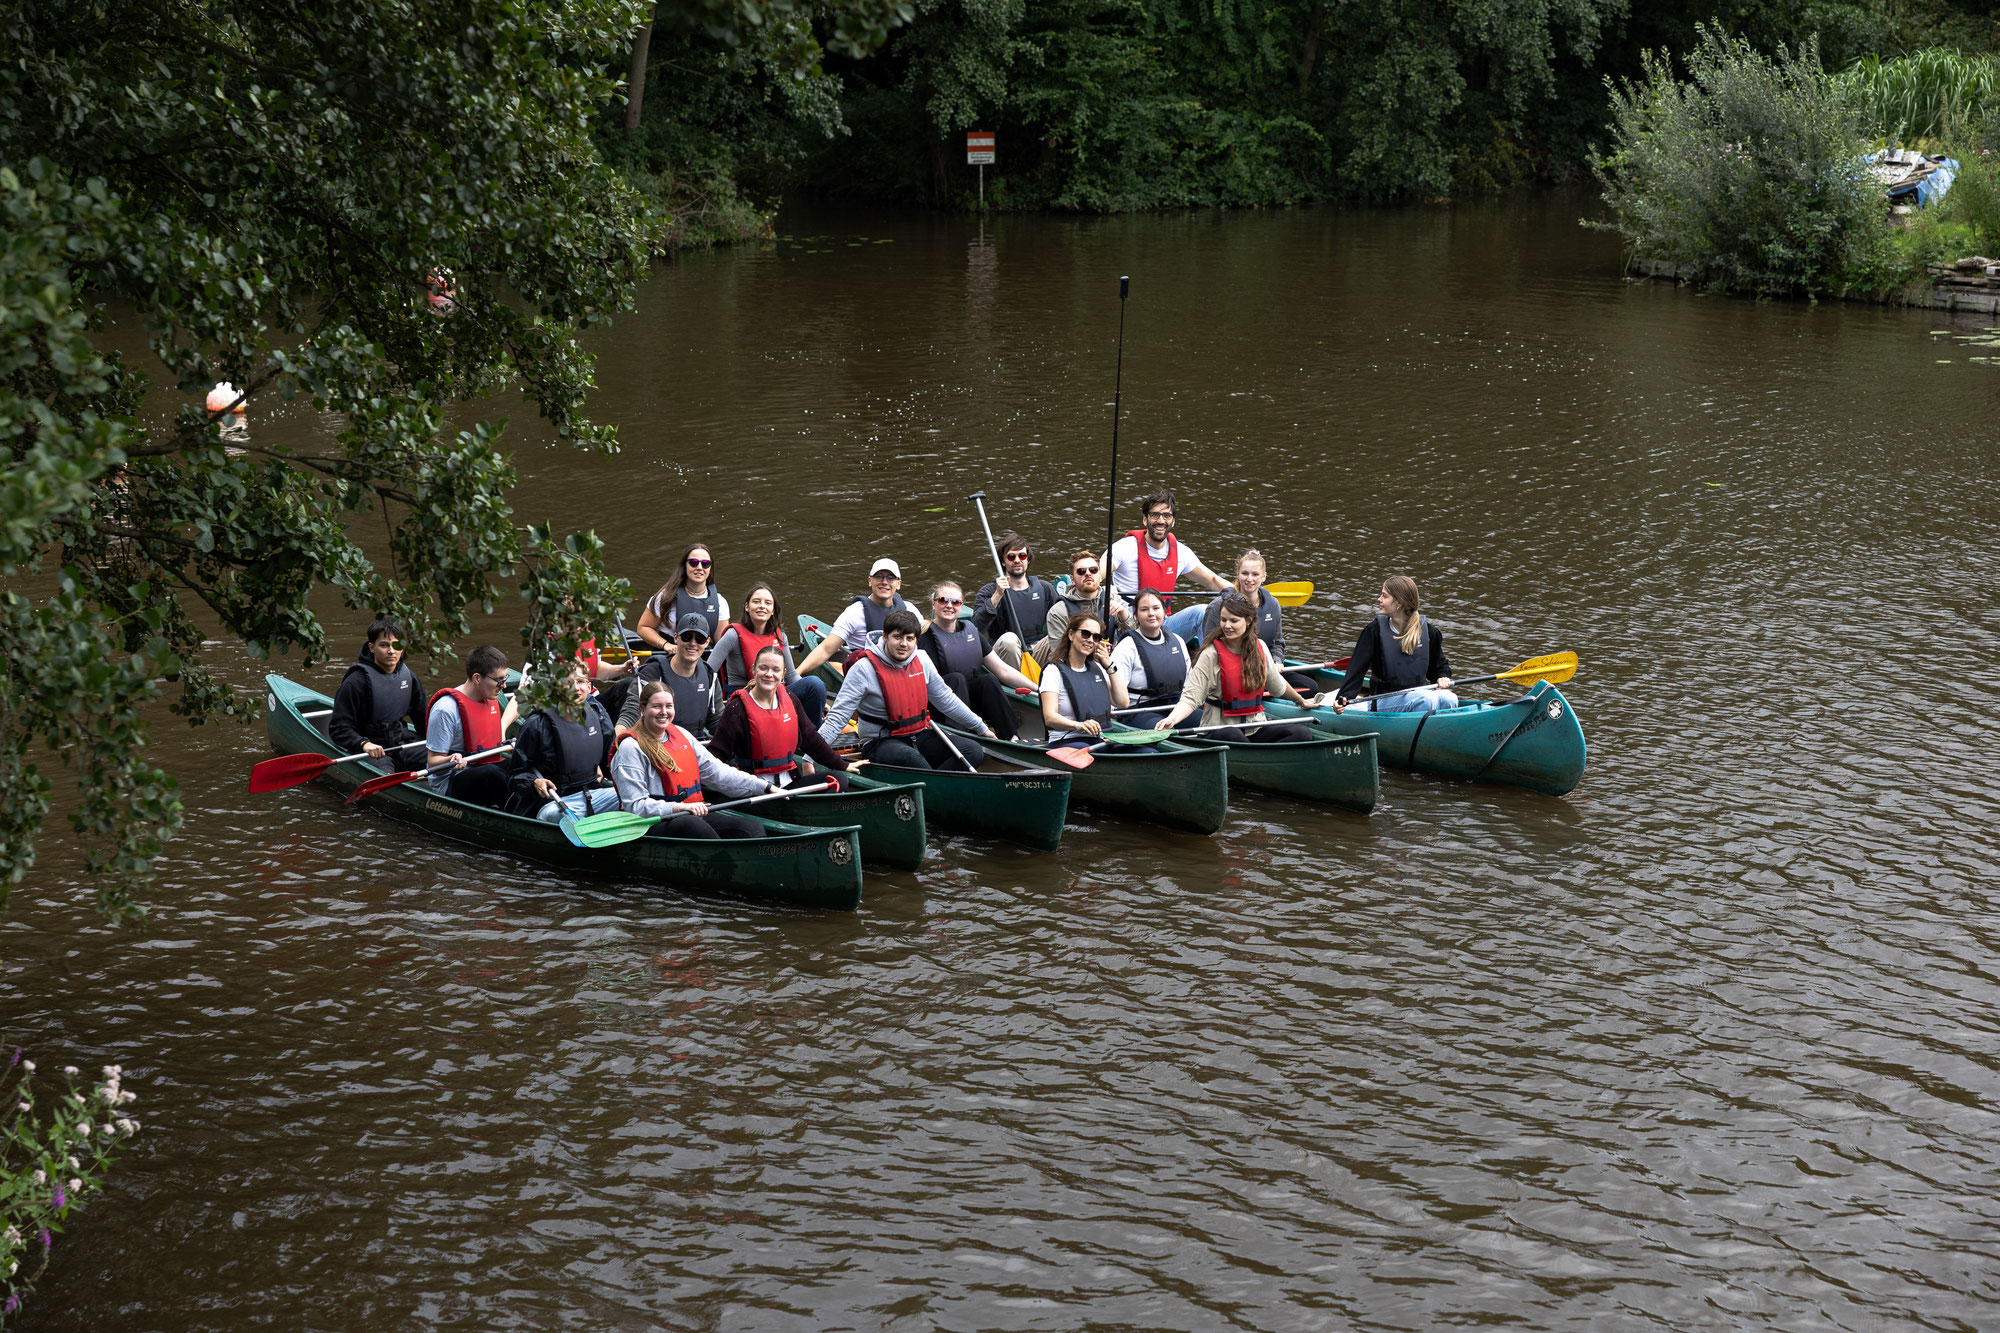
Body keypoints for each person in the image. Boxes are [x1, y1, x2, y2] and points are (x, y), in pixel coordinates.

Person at [818, 608, 994, 770]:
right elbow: (838, 717)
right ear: (885, 636)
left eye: (910, 639)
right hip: (880, 742)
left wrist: (980, 727)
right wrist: (812, 756)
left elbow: (945, 699)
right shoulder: (863, 668)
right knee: (914, 760)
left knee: (973, 751)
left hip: (918, 734)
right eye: (897, 637)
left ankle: (933, 789)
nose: (904, 644)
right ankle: (934, 789)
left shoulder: (922, 659)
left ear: (916, 640)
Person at [610, 680, 769, 839]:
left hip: (690, 814)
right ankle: (724, 860)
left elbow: (718, 773)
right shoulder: (630, 748)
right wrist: (678, 808)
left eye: (669, 706)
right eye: (656, 706)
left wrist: (765, 787)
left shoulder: (681, 734)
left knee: (752, 828)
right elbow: (635, 806)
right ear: (643, 709)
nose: (663, 712)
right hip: (652, 823)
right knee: (692, 825)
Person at [1157, 594, 1319, 741]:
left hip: (1254, 727)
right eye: (1223, 620)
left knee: (1302, 733)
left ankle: (1264, 761)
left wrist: (1301, 701)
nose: (1227, 626)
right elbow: (1191, 698)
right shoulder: (1210, 653)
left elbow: (1279, 687)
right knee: (1232, 733)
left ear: (1248, 621)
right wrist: (1172, 719)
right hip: (1219, 730)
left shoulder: (1260, 647)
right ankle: (1257, 760)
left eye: (1233, 620)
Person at [709, 644, 858, 791]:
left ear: (783, 673)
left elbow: (810, 738)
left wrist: (842, 764)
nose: (769, 674)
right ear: (754, 669)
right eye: (763, 668)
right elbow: (718, 752)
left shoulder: (789, 698)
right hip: (756, 788)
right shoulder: (737, 708)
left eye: (776, 670)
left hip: (789, 783)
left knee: (839, 780)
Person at [1105, 490, 1229, 641]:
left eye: (1167, 516)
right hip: (1128, 626)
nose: (1161, 521)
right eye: (1155, 515)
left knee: (1202, 613)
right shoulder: (1124, 548)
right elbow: (1097, 574)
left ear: (1173, 521)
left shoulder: (1182, 552)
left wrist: (1246, 595)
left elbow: (1213, 580)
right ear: (1145, 519)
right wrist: (1107, 588)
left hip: (1163, 624)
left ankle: (1205, 662)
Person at [918, 581, 1035, 740]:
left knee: (988, 680)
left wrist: (1039, 689)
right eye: (943, 600)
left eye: (955, 602)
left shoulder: (970, 632)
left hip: (971, 703)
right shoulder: (923, 638)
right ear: (933, 604)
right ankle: (959, 737)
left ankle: (1011, 737)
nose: (949, 605)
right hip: (941, 707)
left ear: (961, 605)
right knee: (956, 679)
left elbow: (1003, 670)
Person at [506, 660, 620, 823]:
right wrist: (534, 782)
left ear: (589, 687)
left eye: (580, 681)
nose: (575, 688)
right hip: (555, 802)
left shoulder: (598, 715)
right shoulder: (537, 724)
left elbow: (611, 761)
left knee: (631, 796)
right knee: (553, 815)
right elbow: (514, 777)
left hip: (592, 794)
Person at [1329, 576, 1458, 714]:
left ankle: (1441, 732)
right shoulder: (1374, 631)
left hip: (1419, 693)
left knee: (1450, 698)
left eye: (1384, 596)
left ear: (1399, 603)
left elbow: (1439, 666)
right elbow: (1356, 669)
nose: (1379, 599)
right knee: (1425, 699)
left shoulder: (1429, 632)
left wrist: (1442, 676)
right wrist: (1344, 697)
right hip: (1383, 698)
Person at [706, 581, 828, 728]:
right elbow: (707, 672)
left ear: (772, 610)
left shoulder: (780, 635)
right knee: (813, 684)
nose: (762, 606)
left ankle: (812, 735)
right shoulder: (733, 636)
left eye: (767, 603)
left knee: (815, 685)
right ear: (747, 607)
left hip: (777, 694)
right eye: (756, 602)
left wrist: (819, 697)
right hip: (746, 698)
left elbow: (791, 676)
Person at [1198, 549, 1318, 694]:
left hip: (1264, 668)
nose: (1250, 579)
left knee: (1311, 687)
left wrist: (1276, 660)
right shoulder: (1218, 606)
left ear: (1264, 577)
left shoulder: (1273, 604)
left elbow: (1277, 642)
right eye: (1245, 574)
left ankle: (1271, 693)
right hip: (1231, 673)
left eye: (1255, 574)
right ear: (1237, 575)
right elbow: (1208, 647)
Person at [1039, 608, 1155, 753]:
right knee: (1089, 752)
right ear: (1071, 634)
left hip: (1099, 739)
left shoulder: (1098, 668)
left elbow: (1123, 703)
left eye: (1096, 637)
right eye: (1085, 634)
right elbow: (1050, 717)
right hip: (1066, 740)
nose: (1090, 640)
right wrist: (1078, 725)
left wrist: (1109, 665)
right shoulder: (1053, 671)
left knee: (1147, 752)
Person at [424, 645, 516, 809]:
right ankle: (520, 815)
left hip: (483, 766)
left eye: (505, 678)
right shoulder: (445, 709)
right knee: (491, 775)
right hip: (451, 779)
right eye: (499, 680)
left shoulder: (489, 698)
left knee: (520, 764)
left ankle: (538, 806)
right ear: (477, 678)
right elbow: (433, 764)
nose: (504, 686)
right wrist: (451, 760)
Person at [329, 617, 426, 768]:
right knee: (386, 774)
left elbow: (423, 721)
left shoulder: (410, 678)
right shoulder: (355, 682)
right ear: (372, 647)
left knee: (445, 757)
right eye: (384, 645)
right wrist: (363, 744)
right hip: (371, 749)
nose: (391, 651)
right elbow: (338, 729)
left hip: (402, 744)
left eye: (396, 645)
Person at [795, 557, 909, 678]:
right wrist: (797, 673)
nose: (884, 582)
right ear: (870, 581)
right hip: (867, 674)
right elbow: (825, 649)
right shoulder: (855, 613)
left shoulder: (910, 609)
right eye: (879, 576)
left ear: (898, 584)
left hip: (900, 670)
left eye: (890, 578)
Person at [619, 611, 724, 736]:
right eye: (686, 637)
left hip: (697, 744)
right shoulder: (652, 673)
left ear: (707, 642)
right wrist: (620, 736)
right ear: (676, 638)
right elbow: (631, 713)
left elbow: (717, 720)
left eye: (699, 639)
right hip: (658, 744)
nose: (693, 643)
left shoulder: (709, 676)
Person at [971, 532, 1057, 670]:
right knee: (1009, 640)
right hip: (1004, 651)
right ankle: (1018, 684)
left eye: (1022, 556)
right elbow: (976, 628)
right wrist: (998, 595)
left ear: (1027, 560)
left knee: (1061, 637)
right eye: (1011, 556)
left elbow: (1063, 615)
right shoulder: (989, 591)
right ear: (1004, 562)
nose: (1017, 560)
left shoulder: (1044, 588)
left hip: (1036, 648)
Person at [1110, 590, 1194, 728]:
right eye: (1144, 609)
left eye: (1156, 608)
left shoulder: (1177, 641)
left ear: (1164, 611)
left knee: (1206, 722)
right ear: (1136, 615)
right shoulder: (1127, 647)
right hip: (1139, 711)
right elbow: (1115, 691)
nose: (1151, 614)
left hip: (1175, 708)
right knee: (1161, 729)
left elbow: (1188, 685)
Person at [1035, 549, 1134, 665]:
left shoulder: (1114, 601)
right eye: (1081, 571)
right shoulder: (1059, 611)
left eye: (1093, 570)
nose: (1088, 573)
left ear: (1099, 575)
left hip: (1110, 663)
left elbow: (1134, 639)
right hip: (1077, 668)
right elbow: (1059, 655)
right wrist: (1092, 651)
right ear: (1072, 579)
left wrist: (1124, 615)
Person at [634, 542, 729, 651]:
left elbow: (720, 642)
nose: (699, 567)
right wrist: (665, 645)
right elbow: (644, 628)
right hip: (670, 654)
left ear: (710, 569)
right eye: (693, 563)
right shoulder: (666, 597)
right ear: (684, 566)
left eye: (705, 564)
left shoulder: (720, 602)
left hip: (701, 655)